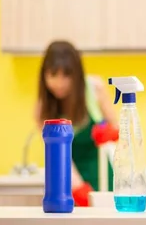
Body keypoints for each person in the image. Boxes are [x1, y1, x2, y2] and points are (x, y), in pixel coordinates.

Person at [34, 40, 120, 207]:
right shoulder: (41, 110)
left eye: (66, 75)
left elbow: (116, 127)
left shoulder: (95, 88)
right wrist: (78, 187)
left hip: (101, 175)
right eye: (53, 75)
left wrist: (109, 131)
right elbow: (57, 156)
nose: (59, 83)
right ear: (44, 75)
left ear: (77, 74)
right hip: (66, 179)